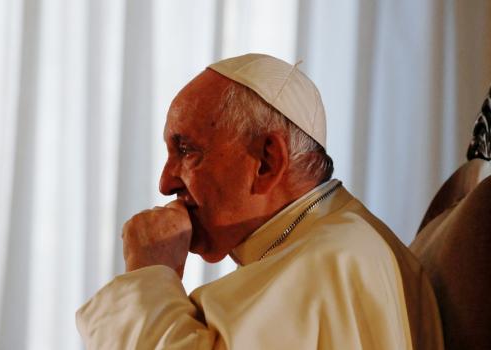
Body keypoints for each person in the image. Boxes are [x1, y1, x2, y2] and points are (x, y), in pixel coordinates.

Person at [76, 54, 443, 349]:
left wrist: (147, 276)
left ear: (268, 160)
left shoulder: (330, 262)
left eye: (186, 151)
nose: (165, 182)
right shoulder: (329, 244)